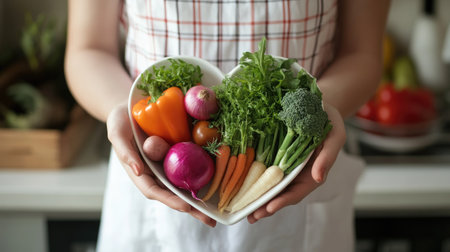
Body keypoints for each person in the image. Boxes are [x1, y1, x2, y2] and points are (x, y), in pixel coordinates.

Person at [65, 0, 390, 251]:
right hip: (153, 175)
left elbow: (361, 53)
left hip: (295, 173)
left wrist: (319, 109)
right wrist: (120, 110)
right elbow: (88, 50)